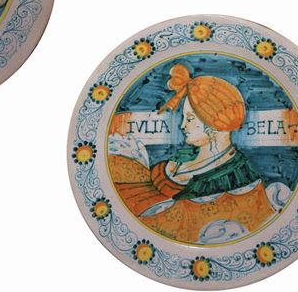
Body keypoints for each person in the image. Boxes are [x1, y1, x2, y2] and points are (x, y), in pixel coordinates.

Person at [109, 63, 276, 244]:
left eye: (189, 119)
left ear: (212, 123)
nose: (182, 126)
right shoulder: (183, 158)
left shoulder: (233, 178)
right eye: (184, 118)